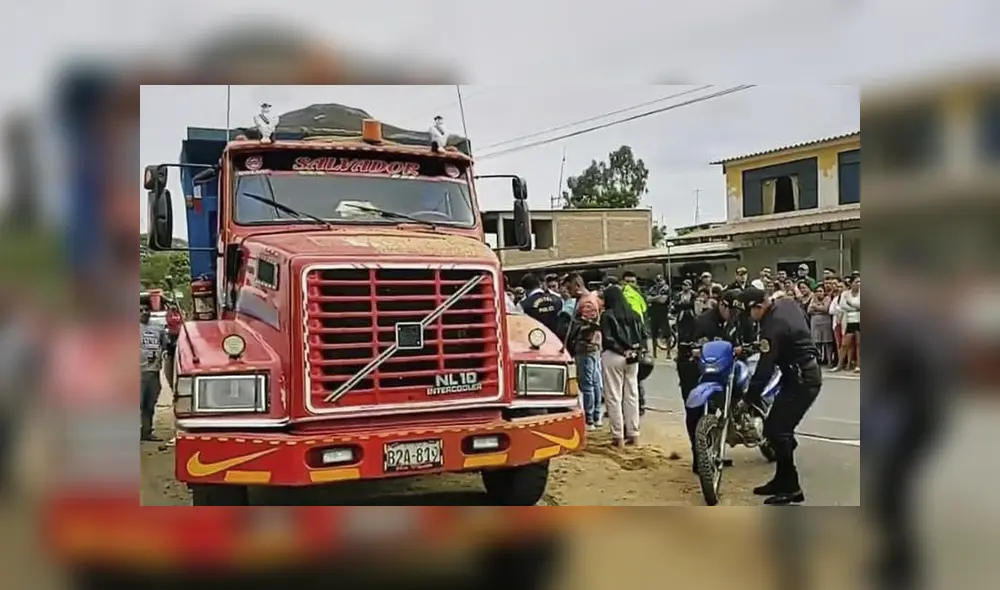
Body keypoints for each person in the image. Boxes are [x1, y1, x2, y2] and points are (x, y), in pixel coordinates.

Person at [738, 287, 822, 505]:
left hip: (802, 379)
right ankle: (781, 480)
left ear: (757, 307)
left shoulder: (771, 327)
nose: (749, 319)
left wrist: (749, 398)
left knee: (778, 432)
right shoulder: (786, 305)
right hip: (801, 373)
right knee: (774, 429)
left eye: (749, 313)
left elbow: (765, 368)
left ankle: (792, 487)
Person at [599, 285, 647, 447]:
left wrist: (621, 350)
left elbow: (608, 338)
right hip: (632, 358)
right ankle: (634, 434)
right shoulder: (634, 314)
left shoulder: (607, 315)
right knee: (632, 396)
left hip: (613, 356)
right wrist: (634, 351)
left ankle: (617, 436)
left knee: (613, 397)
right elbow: (643, 336)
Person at [564, 273, 604, 429]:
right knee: (593, 382)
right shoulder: (589, 298)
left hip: (586, 346)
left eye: (569, 287)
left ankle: (590, 418)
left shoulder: (586, 302)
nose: (569, 292)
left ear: (576, 285)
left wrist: (578, 334)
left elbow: (591, 325)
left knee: (588, 384)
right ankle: (595, 416)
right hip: (591, 346)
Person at [140, 304, 170, 442]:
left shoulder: (157, 329)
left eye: (146, 310)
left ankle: (146, 432)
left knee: (150, 404)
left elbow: (165, 345)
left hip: (153, 372)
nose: (144, 313)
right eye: (140, 310)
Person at [621, 271, 648, 415]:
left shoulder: (639, 297)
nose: (630, 285)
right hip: (626, 340)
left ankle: (640, 405)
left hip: (637, 341)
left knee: (636, 375)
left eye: (632, 282)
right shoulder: (621, 298)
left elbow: (643, 319)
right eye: (627, 282)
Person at [834, 277, 861, 373]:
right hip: (849, 320)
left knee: (859, 344)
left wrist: (851, 305)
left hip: (859, 320)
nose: (859, 283)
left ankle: (858, 365)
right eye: (856, 281)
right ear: (851, 283)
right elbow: (843, 306)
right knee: (844, 344)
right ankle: (839, 365)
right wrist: (855, 307)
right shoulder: (845, 294)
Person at [645, 274, 672, 359]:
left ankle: (668, 353)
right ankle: (655, 353)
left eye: (660, 280)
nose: (658, 282)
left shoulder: (666, 288)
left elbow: (663, 300)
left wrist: (653, 298)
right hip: (654, 314)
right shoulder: (653, 288)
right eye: (657, 280)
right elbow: (647, 298)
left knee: (667, 334)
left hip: (663, 313)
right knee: (653, 334)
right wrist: (657, 298)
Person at [808, 285, 836, 365]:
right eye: (816, 291)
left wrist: (816, 307)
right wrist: (820, 307)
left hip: (825, 322)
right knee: (816, 343)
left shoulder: (827, 298)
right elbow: (809, 310)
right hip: (815, 323)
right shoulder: (813, 299)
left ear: (824, 292)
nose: (818, 293)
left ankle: (830, 361)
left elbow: (825, 309)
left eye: (820, 291)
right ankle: (817, 361)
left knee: (827, 342)